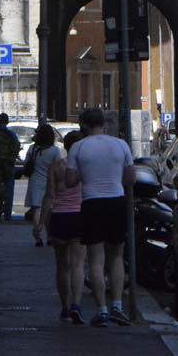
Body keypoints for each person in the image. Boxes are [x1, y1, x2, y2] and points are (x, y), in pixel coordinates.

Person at [65, 107, 134, 327]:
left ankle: (101, 310)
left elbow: (70, 181)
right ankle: (117, 306)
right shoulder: (121, 145)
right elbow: (131, 177)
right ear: (104, 123)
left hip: (91, 201)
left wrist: (85, 174)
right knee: (116, 256)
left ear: (84, 125)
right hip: (116, 200)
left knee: (95, 259)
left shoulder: (78, 147)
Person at [40, 130, 85, 324]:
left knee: (62, 265)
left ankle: (65, 307)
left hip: (59, 216)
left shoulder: (56, 166)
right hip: (80, 214)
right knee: (78, 264)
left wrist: (42, 222)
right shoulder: (85, 167)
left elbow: (50, 195)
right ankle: (76, 303)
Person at [24, 123, 60, 245]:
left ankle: (38, 236)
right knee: (49, 209)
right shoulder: (55, 151)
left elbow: (26, 163)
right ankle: (49, 236)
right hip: (50, 181)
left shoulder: (33, 149)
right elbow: (57, 166)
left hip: (35, 181)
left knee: (37, 209)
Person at [0, 113, 21, 221]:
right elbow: (16, 147)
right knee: (9, 190)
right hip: (8, 165)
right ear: (7, 122)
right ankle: (7, 214)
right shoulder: (11, 135)